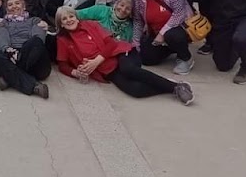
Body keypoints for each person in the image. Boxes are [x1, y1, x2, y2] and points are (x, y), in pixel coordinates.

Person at [56, 7, 193, 104]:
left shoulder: (91, 25)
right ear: (60, 24)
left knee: (129, 70)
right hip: (107, 70)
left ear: (77, 17)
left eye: (71, 16)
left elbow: (111, 43)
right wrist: (76, 72)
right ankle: (170, 85)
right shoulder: (63, 40)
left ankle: (176, 88)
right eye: (64, 19)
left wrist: (95, 62)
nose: (69, 20)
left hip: (120, 54)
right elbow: (62, 64)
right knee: (135, 90)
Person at [132, 0, 194, 75]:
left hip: (180, 27)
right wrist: (135, 43)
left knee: (173, 36)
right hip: (156, 33)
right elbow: (138, 21)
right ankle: (171, 48)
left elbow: (179, 13)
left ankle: (186, 58)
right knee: (146, 59)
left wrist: (162, 34)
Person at [0, 0, 51, 98]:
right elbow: (3, 41)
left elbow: (39, 38)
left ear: (24, 6)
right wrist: (9, 50)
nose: (14, 6)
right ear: (6, 9)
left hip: (34, 60)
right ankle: (34, 86)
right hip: (10, 55)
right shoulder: (1, 23)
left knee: (35, 41)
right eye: (10, 5)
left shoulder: (35, 20)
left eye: (17, 3)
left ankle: (8, 79)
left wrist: (21, 55)